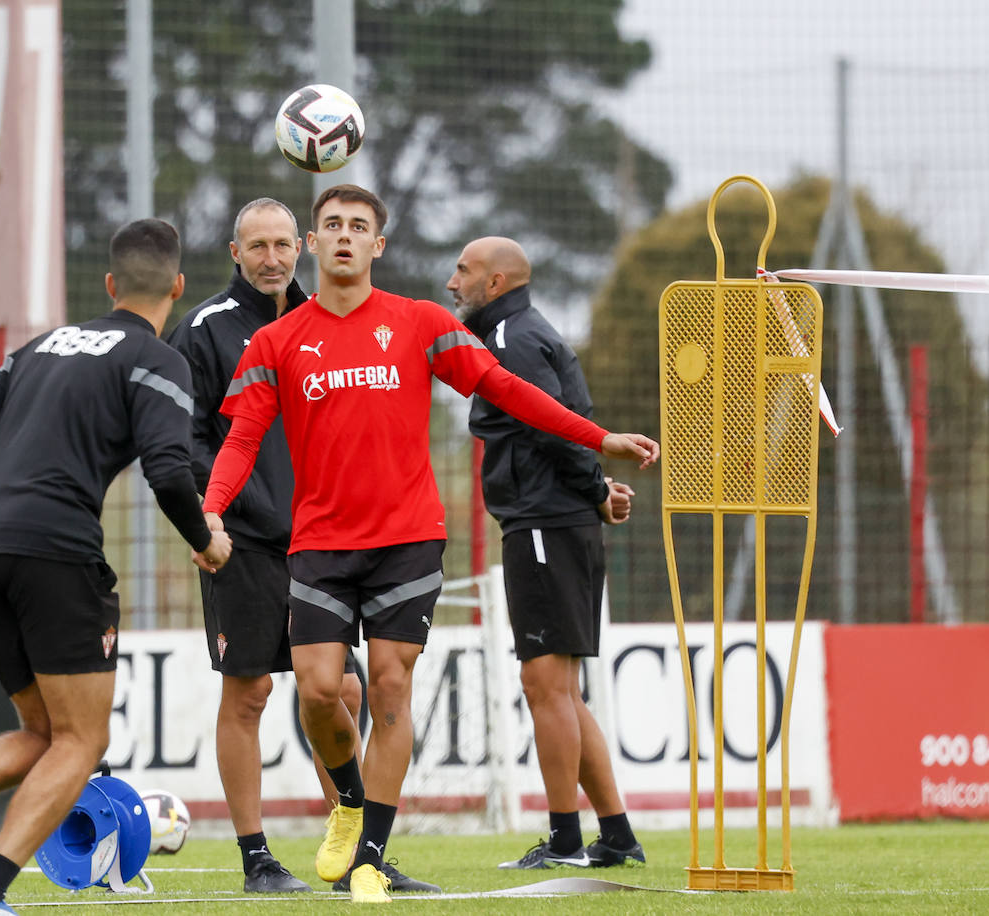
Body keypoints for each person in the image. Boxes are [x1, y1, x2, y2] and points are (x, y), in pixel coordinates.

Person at [201, 184, 659, 904]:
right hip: (318, 543)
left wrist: (598, 438)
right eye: (332, 226)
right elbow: (242, 438)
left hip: (408, 539)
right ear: (312, 247)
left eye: (359, 227)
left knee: (387, 687)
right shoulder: (275, 341)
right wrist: (212, 513)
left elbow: (508, 389)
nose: (345, 236)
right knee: (322, 693)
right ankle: (351, 805)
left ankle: (370, 860)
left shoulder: (420, 324)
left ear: (377, 246)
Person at [0, 218, 231, 916]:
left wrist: (2, 500)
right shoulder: (159, 358)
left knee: (45, 733)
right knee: (83, 739)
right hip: (55, 553)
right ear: (178, 287)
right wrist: (205, 539)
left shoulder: (40, 346)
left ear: (109, 285)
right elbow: (169, 471)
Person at [167, 199, 435, 894]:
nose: (272, 257)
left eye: (283, 244)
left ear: (302, 247)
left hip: (323, 542)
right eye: (257, 245)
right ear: (234, 251)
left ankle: (356, 850)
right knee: (249, 692)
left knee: (341, 687)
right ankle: (256, 855)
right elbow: (191, 440)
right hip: (247, 540)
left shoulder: (322, 318)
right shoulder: (205, 330)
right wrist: (226, 516)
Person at [448, 235, 647, 871]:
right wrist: (596, 493)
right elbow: (566, 430)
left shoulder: (509, 341)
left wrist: (593, 491)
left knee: (544, 686)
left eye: (465, 271)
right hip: (560, 523)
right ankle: (614, 834)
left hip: (542, 525)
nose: (453, 283)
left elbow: (551, 424)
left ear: (496, 282)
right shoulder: (529, 333)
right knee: (562, 689)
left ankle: (565, 841)